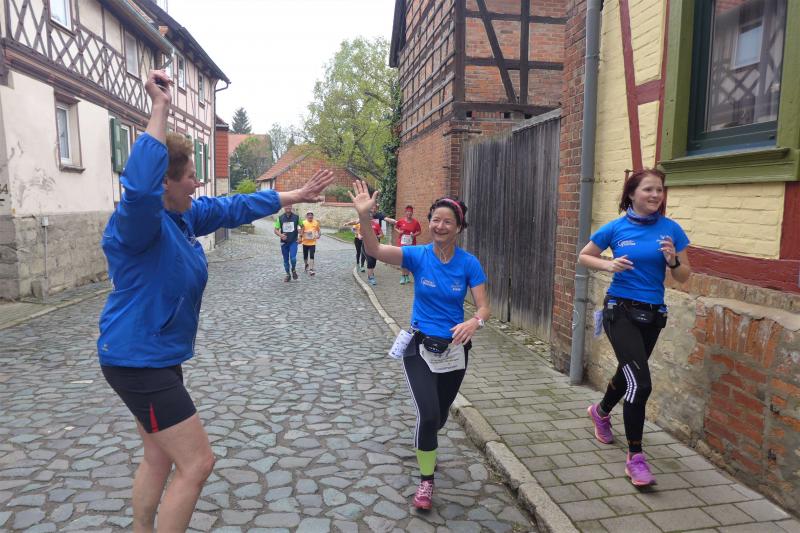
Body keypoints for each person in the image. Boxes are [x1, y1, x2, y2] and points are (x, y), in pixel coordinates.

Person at [97, 69, 334, 533]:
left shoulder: (183, 218)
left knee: (158, 456)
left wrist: (293, 195)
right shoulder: (139, 224)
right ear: (165, 183)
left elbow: (233, 207)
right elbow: (138, 188)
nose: (197, 183)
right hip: (139, 360)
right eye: (189, 177)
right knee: (197, 463)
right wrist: (160, 108)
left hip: (154, 357)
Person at [349, 181, 490, 510]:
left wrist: (475, 321)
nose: (440, 226)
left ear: (459, 228)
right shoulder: (418, 255)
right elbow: (375, 251)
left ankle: (426, 445)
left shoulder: (469, 263)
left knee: (438, 418)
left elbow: (484, 307)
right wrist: (365, 217)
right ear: (429, 222)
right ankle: (426, 481)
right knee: (428, 416)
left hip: (455, 350)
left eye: (447, 221)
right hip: (420, 347)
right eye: (435, 219)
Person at [578, 168, 691, 487]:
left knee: (628, 372)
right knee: (640, 384)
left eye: (660, 190)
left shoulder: (671, 229)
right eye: (648, 190)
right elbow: (585, 256)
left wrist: (673, 261)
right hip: (620, 311)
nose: (656, 195)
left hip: (653, 314)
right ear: (631, 194)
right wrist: (608, 264)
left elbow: (684, 276)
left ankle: (600, 412)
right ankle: (636, 458)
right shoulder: (616, 227)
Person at [345, 206, 396, 285]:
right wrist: (360, 236)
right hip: (366, 245)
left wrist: (376, 236)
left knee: (374, 261)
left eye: (371, 215)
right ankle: (370, 277)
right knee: (370, 260)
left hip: (375, 245)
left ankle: (370, 273)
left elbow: (382, 235)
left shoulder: (376, 224)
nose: (370, 216)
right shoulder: (364, 225)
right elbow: (359, 233)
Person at [394, 205, 422, 285]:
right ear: (405, 212)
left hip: (411, 244)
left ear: (412, 213)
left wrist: (414, 235)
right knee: (403, 259)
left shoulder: (415, 222)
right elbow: (395, 227)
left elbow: (419, 231)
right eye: (408, 212)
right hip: (402, 243)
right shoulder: (401, 221)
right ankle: (403, 276)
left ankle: (407, 276)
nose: (409, 213)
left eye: (410, 212)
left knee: (409, 260)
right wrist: (399, 232)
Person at [274, 205, 301, 282]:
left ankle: (293, 270)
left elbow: (302, 227)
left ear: (291, 207)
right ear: (284, 207)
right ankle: (288, 274)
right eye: (286, 206)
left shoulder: (297, 217)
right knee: (285, 260)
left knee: (293, 258)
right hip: (284, 242)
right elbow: (276, 230)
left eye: (289, 206)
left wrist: (300, 237)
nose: (288, 207)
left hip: (293, 241)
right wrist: (281, 235)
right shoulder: (280, 218)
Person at [299, 211, 321, 275]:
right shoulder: (303, 222)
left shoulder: (316, 222)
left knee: (312, 255)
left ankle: (311, 269)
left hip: (312, 243)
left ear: (312, 216)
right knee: (305, 256)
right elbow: (300, 231)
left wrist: (319, 235)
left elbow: (319, 231)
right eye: (309, 215)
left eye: (311, 215)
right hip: (305, 242)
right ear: (307, 216)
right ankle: (306, 264)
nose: (310, 216)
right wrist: (301, 235)